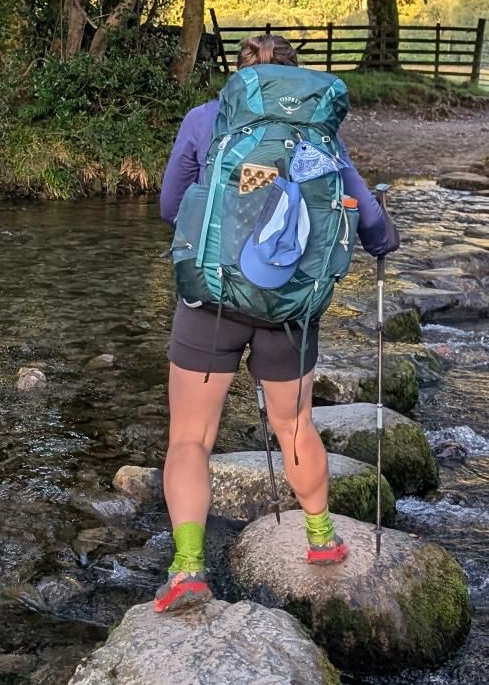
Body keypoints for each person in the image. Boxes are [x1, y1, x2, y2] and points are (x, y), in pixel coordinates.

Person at [151, 32, 398, 613]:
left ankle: (188, 570)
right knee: (294, 425)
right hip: (290, 309)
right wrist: (385, 240)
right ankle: (320, 538)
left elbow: (169, 207)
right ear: (299, 78)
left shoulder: (205, 119)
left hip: (211, 300)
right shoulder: (319, 133)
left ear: (238, 77)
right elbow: (370, 219)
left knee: (190, 437)